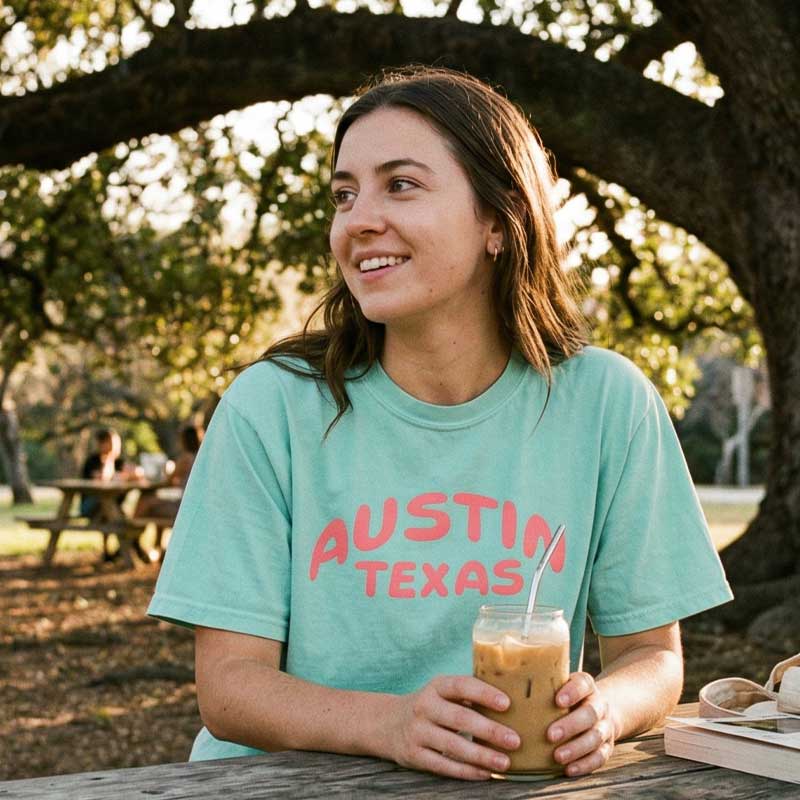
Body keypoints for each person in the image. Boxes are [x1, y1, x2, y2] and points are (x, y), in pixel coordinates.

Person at [148, 66, 732, 781]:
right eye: (344, 194)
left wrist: (605, 708)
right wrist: (388, 724)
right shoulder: (270, 407)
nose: (358, 219)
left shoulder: (607, 403)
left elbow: (653, 656)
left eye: (401, 184)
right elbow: (229, 688)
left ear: (498, 219)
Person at [80, 427, 141, 559]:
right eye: (113, 443)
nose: (116, 447)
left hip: (111, 505)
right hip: (90, 506)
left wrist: (130, 474)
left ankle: (129, 547)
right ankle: (131, 549)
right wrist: (108, 461)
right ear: (102, 443)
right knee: (114, 511)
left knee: (120, 514)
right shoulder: (93, 461)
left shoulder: (119, 462)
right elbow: (102, 479)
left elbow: (138, 473)